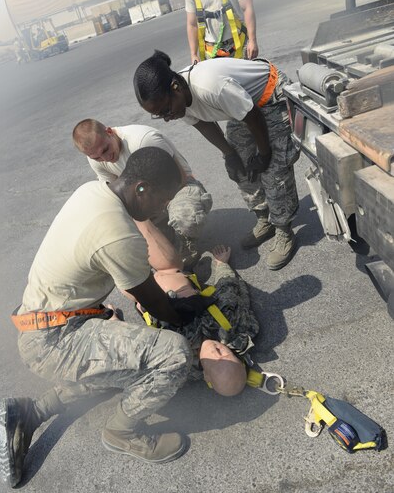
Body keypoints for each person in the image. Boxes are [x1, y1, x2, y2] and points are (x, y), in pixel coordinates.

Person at [0, 147, 216, 488]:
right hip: (53, 340)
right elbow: (154, 303)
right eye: (163, 200)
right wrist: (182, 312)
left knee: (124, 358)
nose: (162, 209)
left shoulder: (92, 191)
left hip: (45, 322)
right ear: (142, 188)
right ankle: (121, 432)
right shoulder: (119, 235)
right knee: (171, 353)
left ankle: (32, 412)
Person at [133, 51, 300, 271]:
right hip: (243, 108)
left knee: (273, 169)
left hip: (270, 96)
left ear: (175, 87)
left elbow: (253, 117)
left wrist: (264, 154)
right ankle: (264, 216)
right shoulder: (178, 100)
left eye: (165, 110)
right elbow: (203, 123)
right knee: (239, 165)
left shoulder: (210, 86)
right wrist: (229, 154)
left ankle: (283, 229)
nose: (166, 117)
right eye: (158, 115)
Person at [135, 219, 258, 395]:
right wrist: (222, 265)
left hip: (143, 294)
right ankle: (137, 214)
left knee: (117, 252)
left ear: (207, 377)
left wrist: (112, 320)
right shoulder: (233, 327)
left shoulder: (181, 367)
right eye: (227, 356)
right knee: (166, 260)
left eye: (216, 362)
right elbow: (230, 290)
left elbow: (140, 358)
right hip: (170, 272)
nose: (218, 352)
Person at [72, 119, 212, 266]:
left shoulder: (144, 140)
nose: (105, 158)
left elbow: (181, 177)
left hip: (178, 188)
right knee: (126, 232)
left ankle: (187, 242)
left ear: (109, 132)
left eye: (106, 150)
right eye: (97, 157)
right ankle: (167, 238)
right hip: (145, 197)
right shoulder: (95, 157)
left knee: (184, 218)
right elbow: (114, 193)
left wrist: (155, 208)